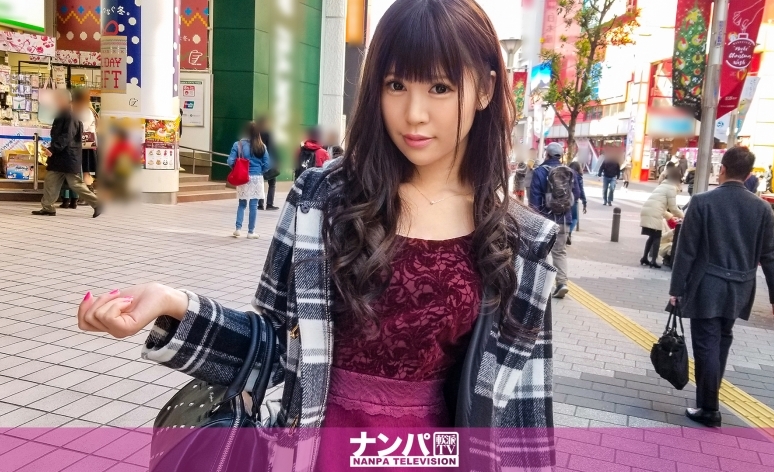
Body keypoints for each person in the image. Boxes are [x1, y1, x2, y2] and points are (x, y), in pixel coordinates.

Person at [76, 1, 558, 470]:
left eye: (439, 87)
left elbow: (522, 415)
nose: (414, 113)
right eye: (395, 84)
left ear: (485, 89)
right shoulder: (322, 199)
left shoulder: (520, 242)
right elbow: (273, 343)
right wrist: (173, 305)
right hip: (313, 448)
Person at [669, 146, 774, 428]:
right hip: (740, 288)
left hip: (706, 286)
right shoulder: (762, 208)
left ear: (722, 169)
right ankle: (708, 400)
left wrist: (676, 289)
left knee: (707, 345)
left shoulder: (702, 202)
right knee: (722, 340)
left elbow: (686, 251)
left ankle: (709, 408)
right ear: (748, 174)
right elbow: (770, 254)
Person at [32, 90, 101, 218]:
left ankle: (97, 203)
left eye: (57, 100)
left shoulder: (69, 116)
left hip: (67, 157)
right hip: (63, 157)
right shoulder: (65, 114)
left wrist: (53, 148)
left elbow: (66, 136)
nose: (56, 102)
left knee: (75, 184)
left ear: (64, 100)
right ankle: (47, 207)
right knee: (51, 181)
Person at [530, 142, 581, 298]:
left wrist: (535, 218)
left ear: (547, 154)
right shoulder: (570, 172)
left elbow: (534, 198)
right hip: (564, 219)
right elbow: (576, 194)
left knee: (542, 252)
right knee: (560, 252)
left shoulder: (540, 172)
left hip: (545, 219)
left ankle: (542, 286)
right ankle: (562, 283)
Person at [227, 122, 270, 239]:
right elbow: (268, 164)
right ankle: (251, 232)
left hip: (243, 177)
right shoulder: (262, 146)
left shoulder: (238, 144)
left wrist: (237, 169)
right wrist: (260, 170)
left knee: (242, 203)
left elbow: (230, 161)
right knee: (253, 205)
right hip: (256, 177)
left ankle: (238, 229)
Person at [640, 168, 683, 268]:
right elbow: (673, 208)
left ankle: (645, 258)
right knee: (657, 237)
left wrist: (670, 217)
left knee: (652, 236)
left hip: (648, 210)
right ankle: (653, 261)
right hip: (654, 212)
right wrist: (683, 216)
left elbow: (661, 206)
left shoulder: (662, 185)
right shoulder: (671, 188)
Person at [72, 89, 98, 190]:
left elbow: (82, 128)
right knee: (83, 171)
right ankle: (86, 192)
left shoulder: (87, 112)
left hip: (86, 146)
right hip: (82, 145)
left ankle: (88, 192)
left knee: (86, 171)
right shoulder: (81, 111)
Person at [255, 116, 281, 211]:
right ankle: (269, 204)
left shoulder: (256, 135)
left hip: (258, 162)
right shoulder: (268, 134)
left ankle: (260, 205)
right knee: (272, 183)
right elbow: (272, 149)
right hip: (269, 161)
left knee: (260, 183)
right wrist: (278, 160)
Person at [567, 160, 587, 246]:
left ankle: (566, 234)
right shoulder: (578, 176)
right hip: (574, 199)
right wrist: (584, 202)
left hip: (564, 198)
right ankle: (568, 232)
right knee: (574, 218)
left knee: (566, 217)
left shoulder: (565, 173)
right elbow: (581, 190)